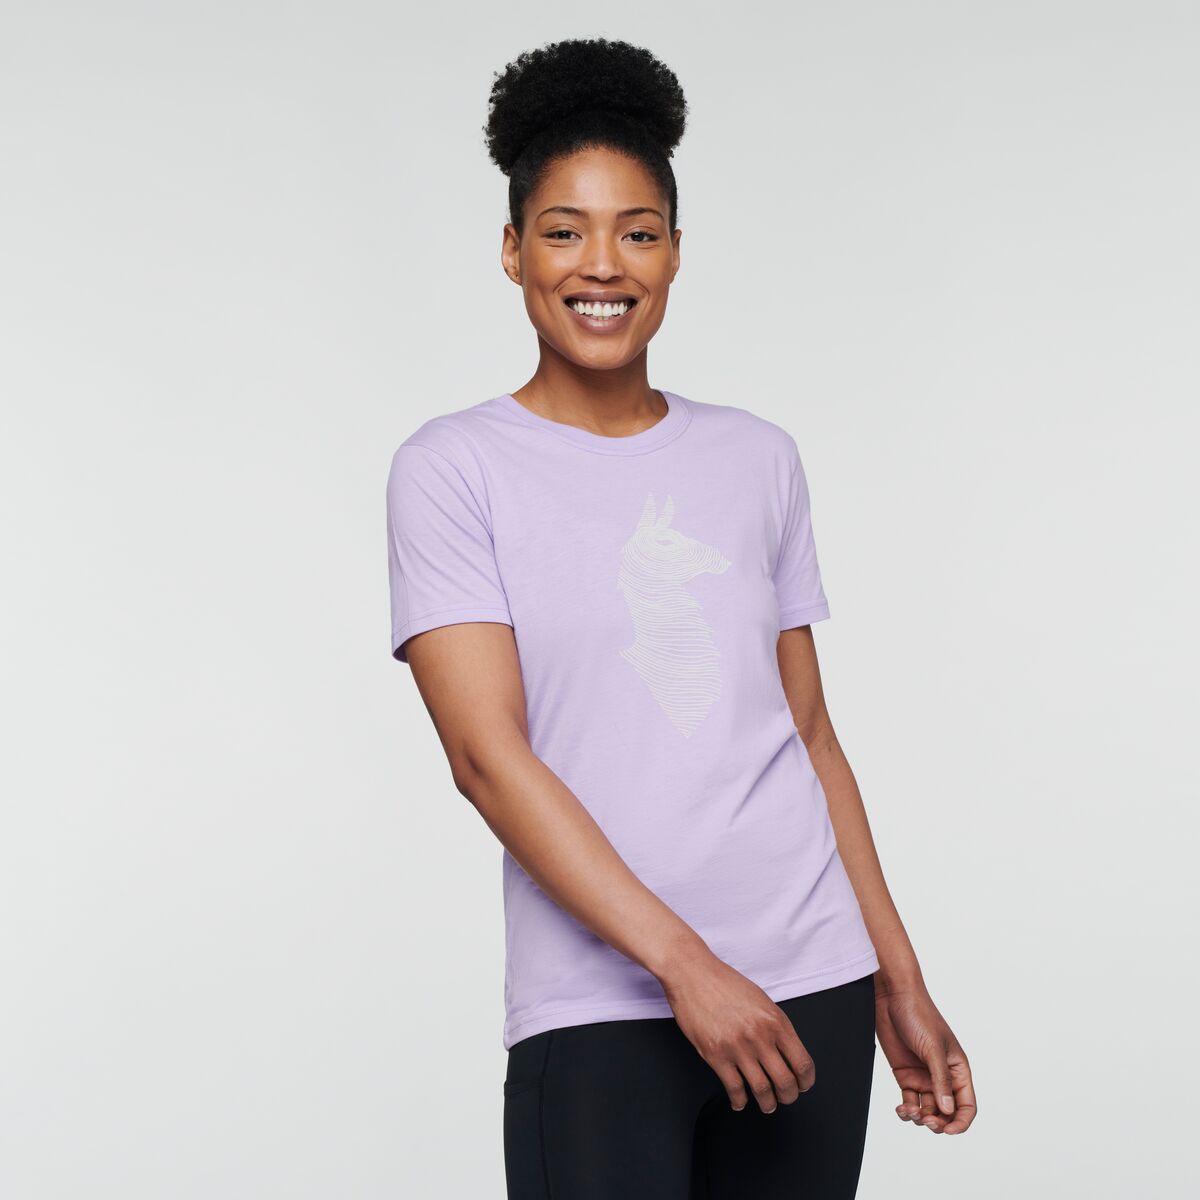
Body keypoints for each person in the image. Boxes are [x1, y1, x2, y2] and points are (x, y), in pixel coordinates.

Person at [385, 36, 977, 1199]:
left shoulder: (758, 459)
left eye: (638, 232)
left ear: (673, 251)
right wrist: (686, 968)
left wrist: (894, 974)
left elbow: (808, 734)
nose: (602, 265)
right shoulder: (453, 470)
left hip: (812, 981)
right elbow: (486, 759)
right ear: (513, 250)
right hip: (604, 1005)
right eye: (564, 231)